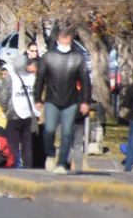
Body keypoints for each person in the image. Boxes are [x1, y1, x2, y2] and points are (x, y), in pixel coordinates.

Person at [33, 25, 91, 175]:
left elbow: (85, 81)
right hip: (52, 99)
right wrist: (37, 98)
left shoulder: (77, 58)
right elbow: (40, 79)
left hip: (71, 101)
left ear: (71, 39)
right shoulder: (48, 57)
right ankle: (51, 155)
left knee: (67, 133)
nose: (65, 42)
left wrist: (85, 101)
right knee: (49, 130)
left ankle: (61, 163)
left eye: (68, 39)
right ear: (58, 39)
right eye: (63, 39)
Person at [0, 56, 39, 168]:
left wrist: (5, 109)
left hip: (13, 114)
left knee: (12, 144)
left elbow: (3, 97)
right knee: (27, 144)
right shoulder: (32, 78)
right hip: (28, 114)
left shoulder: (11, 78)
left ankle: (15, 165)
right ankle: (28, 167)